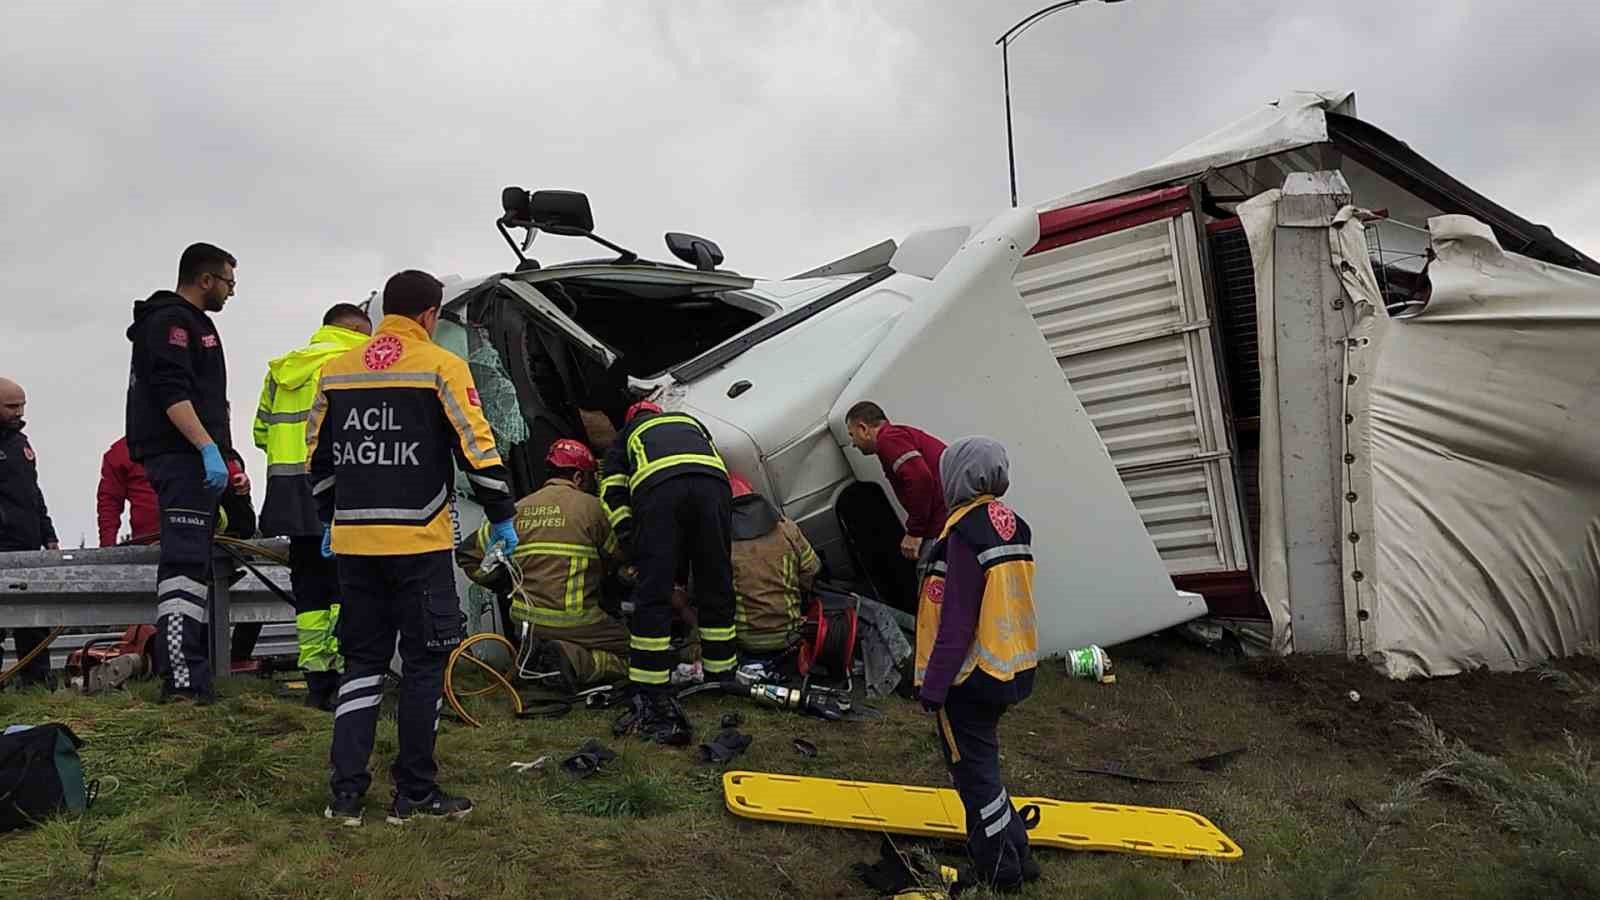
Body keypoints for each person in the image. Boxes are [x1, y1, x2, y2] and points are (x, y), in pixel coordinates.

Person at [307, 270, 519, 827]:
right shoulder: (442, 366)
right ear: (430, 314)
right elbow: (478, 448)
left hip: (354, 544)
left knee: (362, 665)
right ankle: (415, 796)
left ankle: (345, 798)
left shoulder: (336, 371)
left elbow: (318, 460)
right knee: (425, 665)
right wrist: (501, 518)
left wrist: (330, 517)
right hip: (419, 543)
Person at [914, 436, 1040, 892]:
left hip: (969, 678)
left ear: (958, 476)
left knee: (974, 777)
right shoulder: (1014, 525)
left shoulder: (964, 534)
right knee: (984, 763)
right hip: (1010, 667)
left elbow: (957, 621)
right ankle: (1019, 853)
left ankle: (999, 870)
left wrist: (933, 688)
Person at [124, 243, 238, 703]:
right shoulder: (169, 322)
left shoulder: (194, 324)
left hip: (197, 457)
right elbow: (173, 393)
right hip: (181, 457)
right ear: (205, 279)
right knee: (183, 567)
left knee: (197, 568)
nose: (232, 292)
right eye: (229, 282)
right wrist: (207, 448)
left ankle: (197, 673)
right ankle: (183, 682)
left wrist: (226, 456)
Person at [252, 303, 372, 710]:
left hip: (289, 493)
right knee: (347, 586)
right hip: (342, 490)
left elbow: (260, 432)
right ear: (357, 330)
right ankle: (346, 677)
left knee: (309, 591)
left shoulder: (283, 369)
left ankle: (317, 679)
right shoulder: (352, 362)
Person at [599, 400, 733, 744]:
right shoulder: (690, 422)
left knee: (653, 591)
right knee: (716, 581)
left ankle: (650, 684)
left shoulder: (627, 435)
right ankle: (721, 677)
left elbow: (612, 490)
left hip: (659, 490)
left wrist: (630, 537)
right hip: (714, 486)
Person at [458, 439, 629, 692]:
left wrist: (503, 582)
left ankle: (544, 656)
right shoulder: (593, 509)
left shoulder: (517, 510)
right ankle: (576, 661)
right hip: (576, 620)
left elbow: (467, 554)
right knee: (641, 653)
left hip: (525, 622)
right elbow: (623, 559)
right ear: (580, 477)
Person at [0, 377, 59, 688]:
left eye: (21, 406)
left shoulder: (19, 443)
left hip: (27, 546)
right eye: (11, 406)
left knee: (33, 622)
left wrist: (48, 535)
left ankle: (37, 685)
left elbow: (32, 494)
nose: (19, 412)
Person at [727, 473, 820, 657]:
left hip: (746, 642)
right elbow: (813, 569)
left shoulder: (718, 542)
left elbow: (702, 594)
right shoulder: (786, 528)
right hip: (791, 635)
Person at [844, 402, 948, 562]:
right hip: (946, 520)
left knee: (931, 576)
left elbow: (920, 479)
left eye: (852, 435)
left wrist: (915, 532)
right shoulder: (898, 436)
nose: (853, 443)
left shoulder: (888, 440)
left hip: (941, 526)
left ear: (863, 428)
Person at [96, 436, 159, 546]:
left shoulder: (192, 440)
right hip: (148, 544)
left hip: (192, 536)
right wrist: (107, 547)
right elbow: (109, 502)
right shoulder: (119, 453)